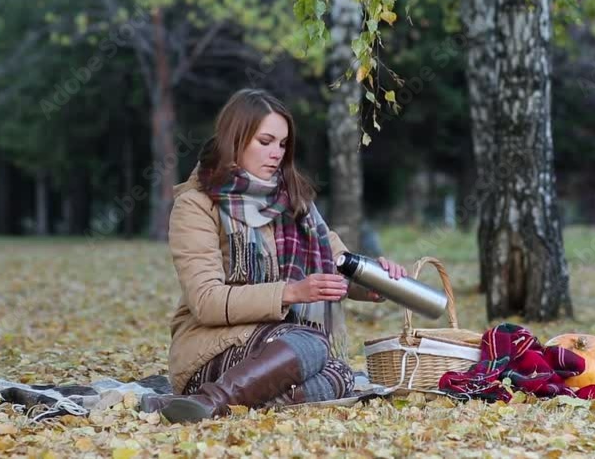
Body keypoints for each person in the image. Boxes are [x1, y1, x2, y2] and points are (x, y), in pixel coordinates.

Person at [142, 89, 407, 423]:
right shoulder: (196, 205)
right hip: (209, 348)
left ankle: (213, 402)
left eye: (282, 144)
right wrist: (292, 292)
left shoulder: (294, 202)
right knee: (312, 345)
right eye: (265, 141)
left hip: (279, 343)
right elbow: (206, 301)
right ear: (235, 140)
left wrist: (373, 280)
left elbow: (337, 263)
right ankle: (211, 401)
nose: (276, 153)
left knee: (341, 374)